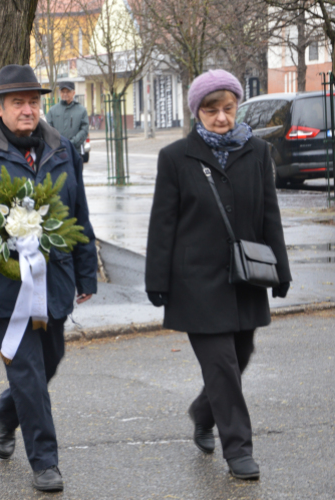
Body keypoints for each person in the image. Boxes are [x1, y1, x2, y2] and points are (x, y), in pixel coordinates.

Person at [0, 64, 98, 493]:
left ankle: (7, 410)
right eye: (18, 103)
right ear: (0, 107)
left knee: (50, 362)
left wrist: (87, 271)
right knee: (27, 371)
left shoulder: (61, 148)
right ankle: (45, 461)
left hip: (56, 279)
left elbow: (78, 212)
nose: (27, 110)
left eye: (33, 102)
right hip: (5, 285)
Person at [145, 69, 292, 481]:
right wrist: (156, 280)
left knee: (242, 355)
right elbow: (163, 223)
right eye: (212, 111)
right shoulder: (175, 157)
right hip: (194, 282)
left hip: (246, 279)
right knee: (223, 365)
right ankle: (239, 451)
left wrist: (281, 270)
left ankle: (202, 410)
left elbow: (269, 216)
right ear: (198, 112)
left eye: (228, 109)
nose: (222, 118)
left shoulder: (257, 153)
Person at [45, 81, 88, 162]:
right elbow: (48, 129)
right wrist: (58, 143)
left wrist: (72, 143)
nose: (65, 94)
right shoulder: (52, 111)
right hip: (57, 152)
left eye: (68, 91)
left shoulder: (81, 110)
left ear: (73, 92)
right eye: (62, 91)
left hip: (75, 152)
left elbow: (84, 129)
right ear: (59, 93)